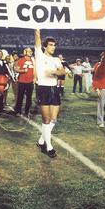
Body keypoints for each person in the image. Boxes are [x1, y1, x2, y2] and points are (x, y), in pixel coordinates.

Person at [35, 29, 65, 158]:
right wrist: (37, 30)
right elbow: (37, 38)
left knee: (54, 119)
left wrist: (52, 72)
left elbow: (62, 72)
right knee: (46, 119)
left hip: (54, 89)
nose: (53, 47)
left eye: (54, 45)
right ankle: (48, 147)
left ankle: (41, 140)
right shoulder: (39, 55)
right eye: (51, 45)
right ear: (45, 46)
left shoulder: (56, 60)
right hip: (43, 89)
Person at [14, 48, 35, 116]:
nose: (31, 52)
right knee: (20, 97)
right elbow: (16, 69)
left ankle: (27, 111)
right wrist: (23, 71)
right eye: (29, 51)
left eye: (31, 51)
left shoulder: (33, 60)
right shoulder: (21, 60)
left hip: (30, 82)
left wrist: (35, 78)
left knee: (29, 98)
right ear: (25, 52)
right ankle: (18, 111)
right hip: (22, 82)